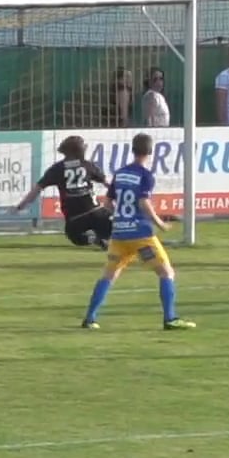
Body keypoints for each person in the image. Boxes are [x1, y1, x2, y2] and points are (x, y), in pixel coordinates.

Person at [81, 132, 195, 331]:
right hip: (141, 237)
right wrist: (160, 223)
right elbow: (143, 202)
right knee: (166, 272)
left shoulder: (120, 173)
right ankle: (170, 318)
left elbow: (108, 203)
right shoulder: (145, 175)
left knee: (108, 275)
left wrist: (119, 218)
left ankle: (90, 318)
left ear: (132, 150)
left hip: (119, 235)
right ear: (150, 152)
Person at [14, 134, 112, 249]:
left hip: (76, 218)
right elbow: (108, 185)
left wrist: (21, 206)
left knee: (74, 236)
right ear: (79, 150)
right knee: (111, 229)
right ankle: (113, 241)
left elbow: (36, 190)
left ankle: (96, 239)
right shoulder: (87, 165)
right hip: (97, 213)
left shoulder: (57, 169)